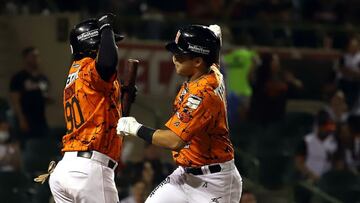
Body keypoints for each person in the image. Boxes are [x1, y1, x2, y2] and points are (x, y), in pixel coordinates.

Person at [117, 24, 242, 203]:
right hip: (185, 174)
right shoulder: (211, 70)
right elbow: (214, 60)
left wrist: (135, 128)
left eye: (181, 55)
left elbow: (174, 141)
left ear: (198, 61)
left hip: (216, 182)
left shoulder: (202, 94)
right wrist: (215, 39)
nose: (174, 58)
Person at [48, 14, 125, 203]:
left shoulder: (75, 72)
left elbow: (102, 114)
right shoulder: (89, 68)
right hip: (89, 170)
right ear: (92, 44)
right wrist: (106, 27)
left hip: (67, 168)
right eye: (107, 43)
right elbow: (108, 63)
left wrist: (121, 95)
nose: (114, 46)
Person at [9, 46, 50, 143]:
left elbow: (45, 94)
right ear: (25, 58)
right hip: (26, 119)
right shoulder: (18, 78)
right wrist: (21, 119)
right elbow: (15, 100)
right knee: (28, 146)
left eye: (37, 56)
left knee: (42, 144)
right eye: (33, 56)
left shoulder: (42, 78)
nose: (36, 59)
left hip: (40, 119)